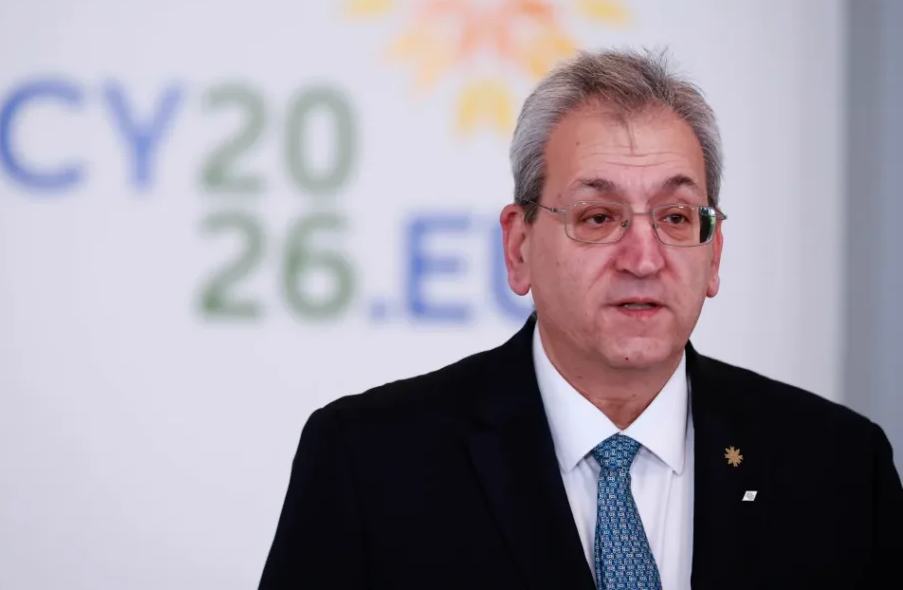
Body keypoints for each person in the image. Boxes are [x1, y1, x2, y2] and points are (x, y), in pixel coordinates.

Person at [257, 48, 903, 589]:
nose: (644, 258)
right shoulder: (369, 461)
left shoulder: (840, 467)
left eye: (677, 217)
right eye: (598, 217)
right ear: (519, 247)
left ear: (714, 254)